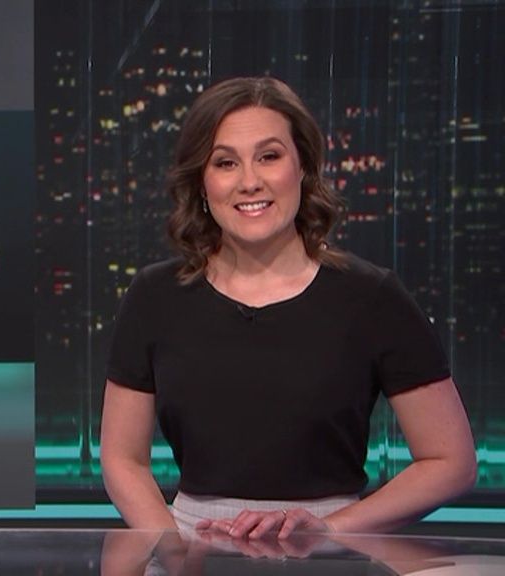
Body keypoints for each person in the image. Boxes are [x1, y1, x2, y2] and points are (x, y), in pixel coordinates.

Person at [100, 76, 476, 538]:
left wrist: (327, 531)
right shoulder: (154, 296)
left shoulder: (371, 296)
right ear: (201, 182)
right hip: (190, 547)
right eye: (225, 162)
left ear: (303, 168)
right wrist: (171, 549)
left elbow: (450, 461)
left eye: (269, 156)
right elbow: (122, 458)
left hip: (330, 548)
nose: (249, 182)